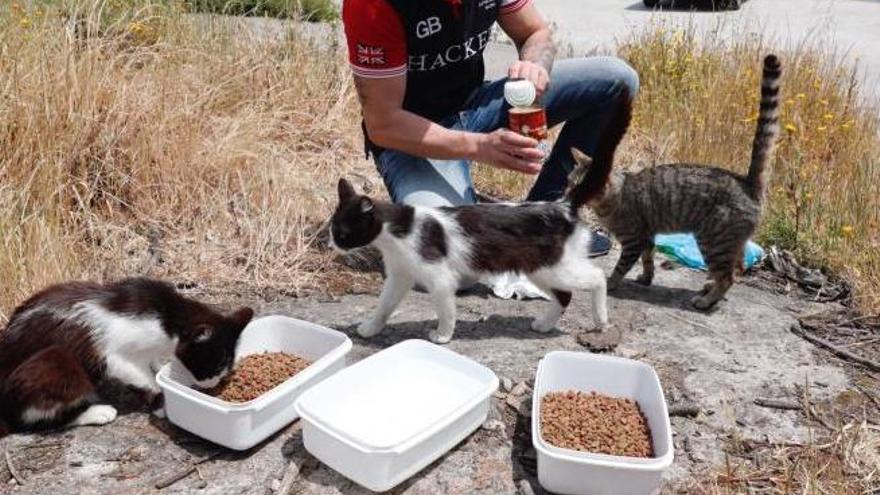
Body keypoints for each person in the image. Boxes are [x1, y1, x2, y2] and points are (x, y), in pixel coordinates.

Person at [341, 0, 639, 292]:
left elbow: (536, 33)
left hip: (475, 107)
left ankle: (544, 218)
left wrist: (535, 64)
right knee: (455, 273)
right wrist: (480, 146)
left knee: (617, 81)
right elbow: (383, 124)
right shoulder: (370, 5)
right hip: (411, 141)